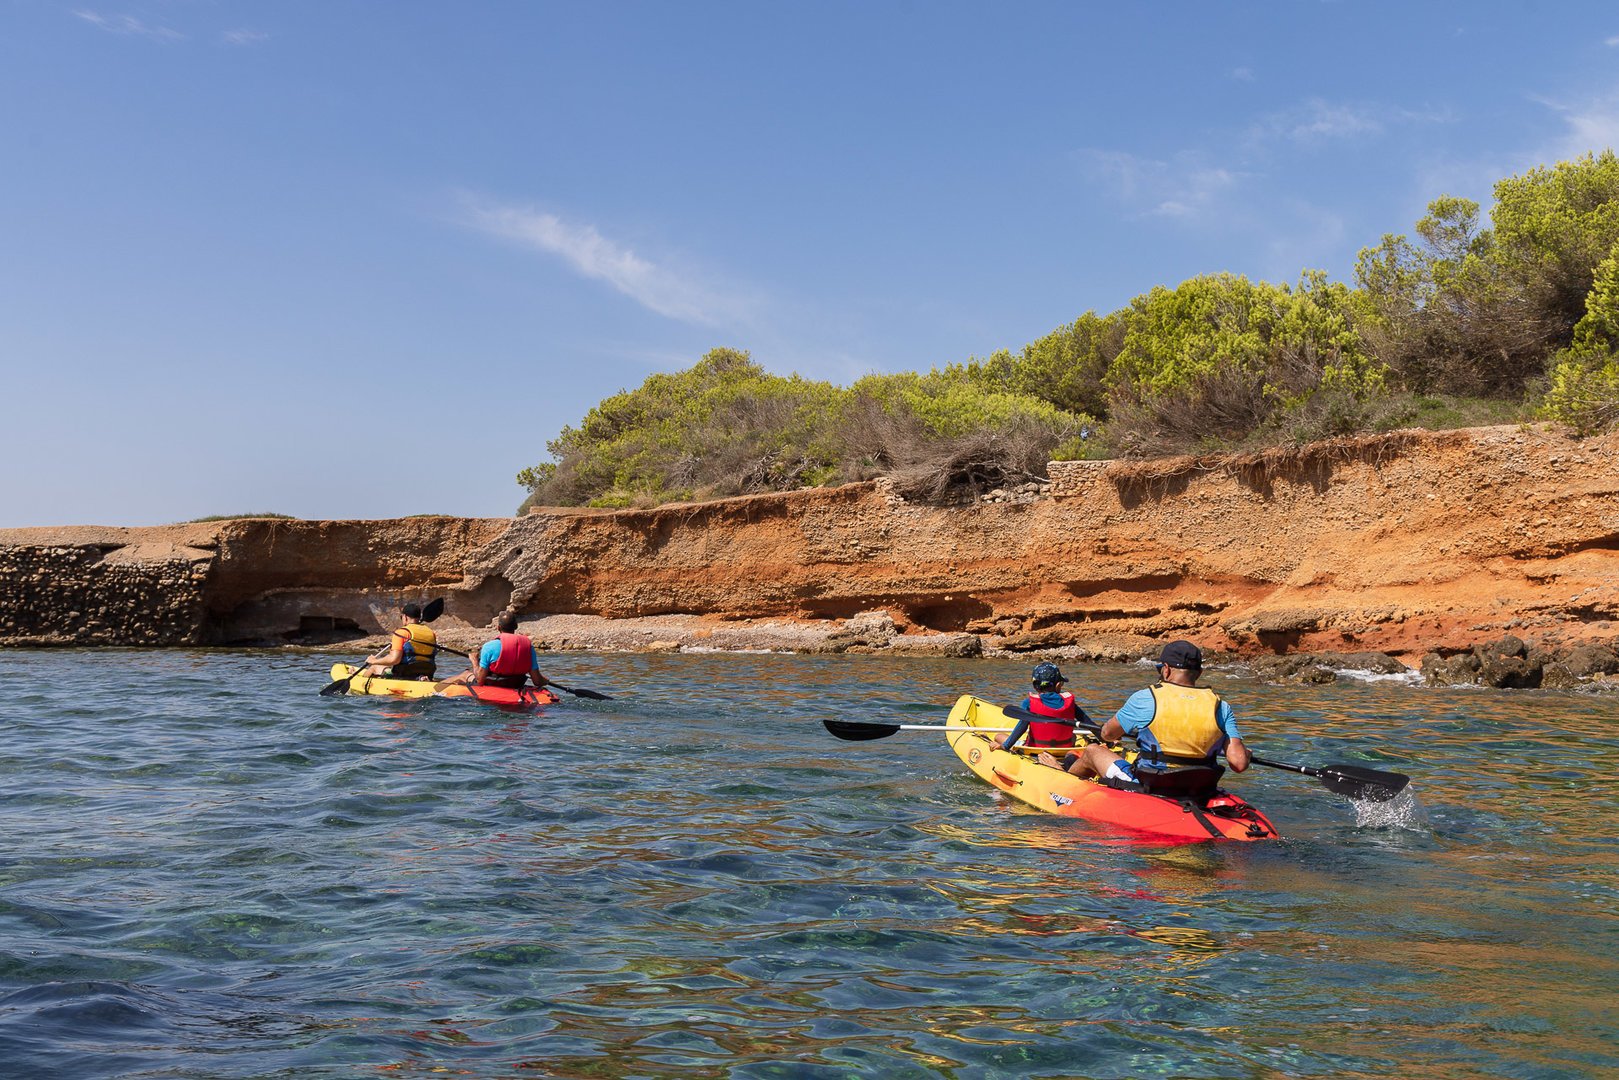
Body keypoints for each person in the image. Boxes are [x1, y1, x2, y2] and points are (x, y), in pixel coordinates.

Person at [1038, 640, 1250, 789]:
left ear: (1165, 670)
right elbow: (1239, 763)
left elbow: (1108, 734)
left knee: (1093, 750)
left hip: (1152, 784)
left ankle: (1063, 782)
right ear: (1200, 673)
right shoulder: (1221, 706)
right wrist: (1245, 753)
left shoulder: (1146, 697)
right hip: (1199, 785)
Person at [991, 662, 1092, 752]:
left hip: (1035, 751)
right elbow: (1089, 723)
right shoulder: (1069, 703)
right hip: (1063, 750)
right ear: (1058, 685)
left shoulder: (1029, 703)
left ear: (1035, 686)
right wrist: (1104, 741)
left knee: (999, 736)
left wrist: (1005, 746)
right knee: (1073, 736)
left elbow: (1021, 727)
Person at [442, 611, 552, 692]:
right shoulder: (528, 647)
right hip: (516, 684)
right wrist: (545, 680)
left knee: (465, 674)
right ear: (515, 627)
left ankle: (432, 686)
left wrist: (474, 661)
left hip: (494, 685)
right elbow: (537, 681)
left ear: (498, 627)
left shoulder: (489, 646)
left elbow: (480, 680)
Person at [363, 602, 438, 680]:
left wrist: (374, 661)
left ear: (405, 617)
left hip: (404, 673)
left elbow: (394, 659)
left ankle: (360, 684)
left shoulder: (402, 633)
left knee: (374, 668)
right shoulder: (431, 633)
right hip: (428, 672)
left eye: (401, 617)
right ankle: (421, 678)